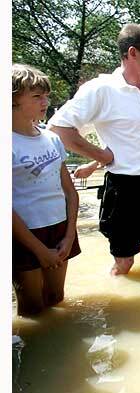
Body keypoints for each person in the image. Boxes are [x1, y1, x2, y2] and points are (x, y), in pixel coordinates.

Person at [48, 23, 140, 276]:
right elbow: (59, 128)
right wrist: (101, 156)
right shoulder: (101, 89)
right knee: (124, 263)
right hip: (124, 187)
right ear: (132, 53)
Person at [12, 64, 81, 315]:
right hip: (23, 235)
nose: (45, 102)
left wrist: (69, 235)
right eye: (36, 96)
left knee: (56, 298)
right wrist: (39, 250)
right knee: (32, 310)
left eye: (46, 95)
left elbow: (70, 192)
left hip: (60, 228)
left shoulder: (51, 138)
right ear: (12, 100)